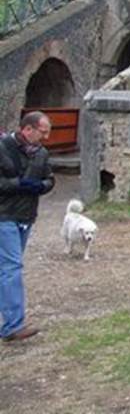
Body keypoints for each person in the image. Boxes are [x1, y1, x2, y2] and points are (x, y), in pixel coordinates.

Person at [0, 111, 55, 342]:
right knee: (12, 267)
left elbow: (50, 179)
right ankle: (13, 325)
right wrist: (19, 184)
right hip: (4, 215)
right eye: (42, 132)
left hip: (26, 216)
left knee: (7, 268)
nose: (45, 137)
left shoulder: (41, 153)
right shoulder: (4, 148)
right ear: (27, 129)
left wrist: (41, 186)